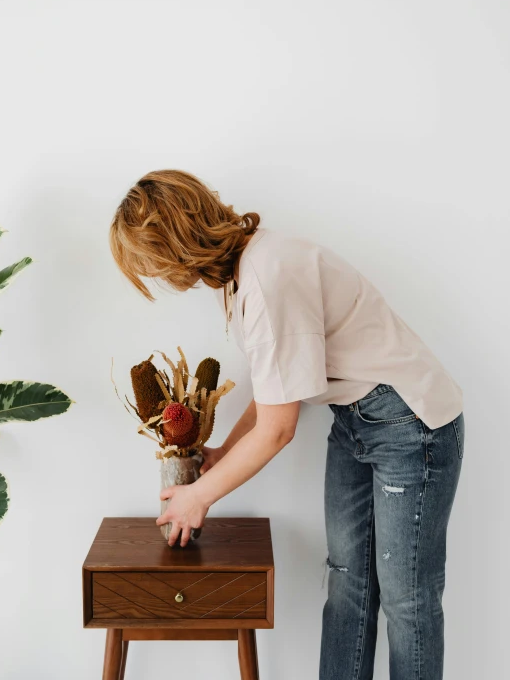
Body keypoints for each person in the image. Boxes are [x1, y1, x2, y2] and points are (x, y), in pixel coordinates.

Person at [109, 168, 465, 680]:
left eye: (152, 262)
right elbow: (273, 386)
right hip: (356, 420)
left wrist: (200, 494)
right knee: (349, 583)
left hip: (410, 423)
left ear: (176, 241)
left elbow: (278, 429)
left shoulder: (266, 275)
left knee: (407, 599)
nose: (158, 277)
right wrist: (221, 456)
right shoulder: (234, 274)